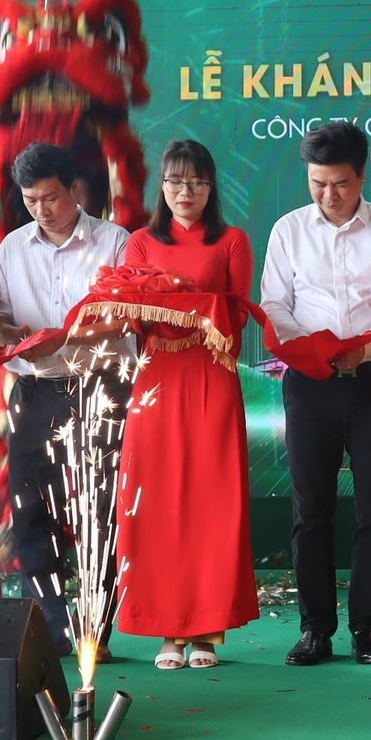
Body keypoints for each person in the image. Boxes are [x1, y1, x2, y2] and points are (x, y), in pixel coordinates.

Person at [260, 120, 371, 667]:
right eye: (318, 183)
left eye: (341, 184)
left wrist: (367, 351)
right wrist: (309, 348)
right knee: (311, 509)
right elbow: (275, 305)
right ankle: (315, 629)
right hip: (310, 382)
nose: (329, 195)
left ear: (362, 175)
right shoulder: (287, 231)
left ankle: (368, 630)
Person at [116, 140, 259, 670]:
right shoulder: (139, 244)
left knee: (209, 502)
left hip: (212, 378)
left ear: (211, 187)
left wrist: (188, 307)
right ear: (163, 188)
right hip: (157, 381)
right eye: (176, 182)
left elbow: (238, 315)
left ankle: (206, 630)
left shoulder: (234, 242)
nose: (185, 192)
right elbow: (130, 312)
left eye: (196, 182)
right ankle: (165, 633)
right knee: (156, 503)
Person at [0, 142, 131, 657]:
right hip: (33, 389)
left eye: (51, 197)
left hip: (99, 389)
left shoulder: (116, 243)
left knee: (97, 512)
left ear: (75, 190)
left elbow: (125, 320)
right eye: (30, 200)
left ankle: (96, 631)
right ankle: (49, 626)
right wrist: (10, 332)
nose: (42, 209)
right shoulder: (11, 248)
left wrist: (67, 338)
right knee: (29, 510)